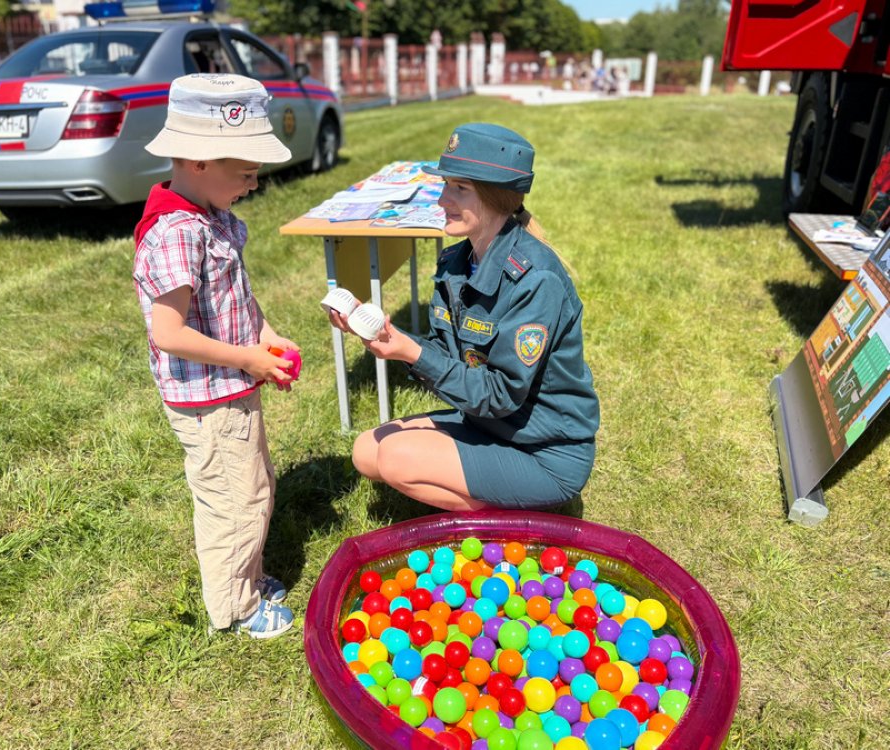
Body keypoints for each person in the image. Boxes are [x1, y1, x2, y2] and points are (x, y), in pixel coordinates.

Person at [328, 123, 599, 512]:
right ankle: (498, 494)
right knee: (367, 451)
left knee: (394, 458)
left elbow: (500, 394)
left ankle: (515, 517)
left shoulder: (535, 280)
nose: (443, 200)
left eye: (459, 188)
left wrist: (411, 353)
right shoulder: (457, 261)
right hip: (487, 424)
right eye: (445, 185)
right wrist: (389, 336)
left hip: (543, 450)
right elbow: (447, 353)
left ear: (496, 196)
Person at [133, 74, 299, 639]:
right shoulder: (178, 232)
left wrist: (265, 336)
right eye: (247, 172)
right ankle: (236, 608)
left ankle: (242, 578)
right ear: (200, 161)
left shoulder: (210, 215)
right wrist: (246, 358)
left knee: (253, 485)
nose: (255, 184)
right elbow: (169, 332)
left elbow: (235, 296)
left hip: (230, 383)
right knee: (234, 500)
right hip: (209, 397)